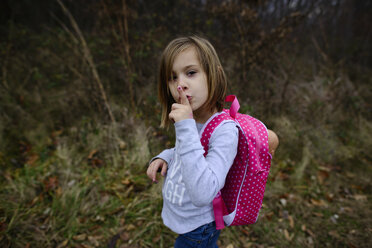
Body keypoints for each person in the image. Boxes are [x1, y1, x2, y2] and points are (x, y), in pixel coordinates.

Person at [146, 36, 278, 248]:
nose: (181, 85)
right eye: (172, 77)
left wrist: (186, 126)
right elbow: (185, 152)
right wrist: (165, 157)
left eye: (191, 73)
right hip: (187, 222)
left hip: (199, 228)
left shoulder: (224, 132)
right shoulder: (193, 120)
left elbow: (204, 193)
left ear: (213, 74)